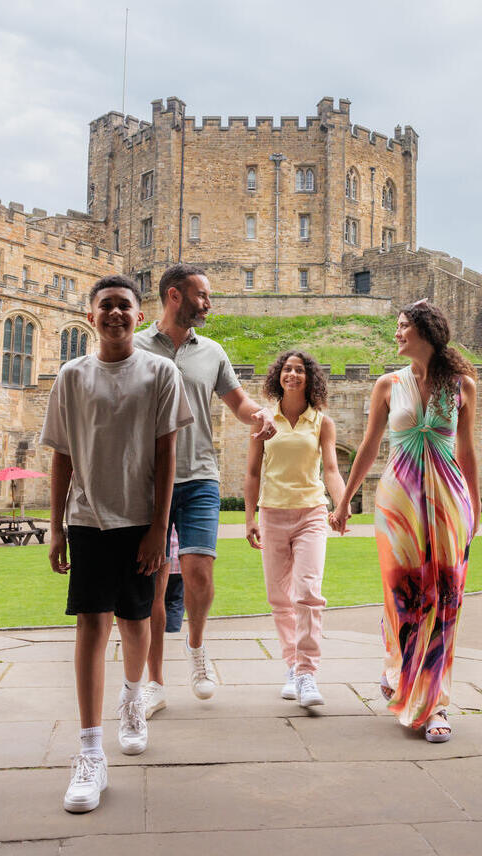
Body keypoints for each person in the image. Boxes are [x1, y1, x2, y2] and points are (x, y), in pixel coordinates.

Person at [40, 274, 193, 813]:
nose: (114, 313)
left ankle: (132, 700)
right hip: (87, 518)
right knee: (91, 624)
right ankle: (89, 752)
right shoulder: (71, 377)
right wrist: (56, 526)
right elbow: (60, 455)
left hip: (140, 520)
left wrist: (159, 526)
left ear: (139, 313)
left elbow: (167, 456)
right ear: (90, 316)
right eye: (104, 305)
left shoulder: (160, 372)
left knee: (136, 622)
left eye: (123, 305)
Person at [331, 300, 480, 741]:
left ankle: (434, 704)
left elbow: (468, 452)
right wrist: (343, 503)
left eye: (402, 327)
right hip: (398, 501)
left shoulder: (462, 386)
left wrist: (475, 506)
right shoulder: (386, 385)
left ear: (425, 332)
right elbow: (368, 448)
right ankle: (397, 665)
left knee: (445, 596)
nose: (396, 334)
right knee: (404, 596)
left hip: (449, 499)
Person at [133, 263, 276, 716]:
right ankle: (154, 682)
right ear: (175, 296)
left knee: (199, 571)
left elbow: (238, 403)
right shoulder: (134, 348)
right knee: (153, 585)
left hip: (199, 475)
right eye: (203, 295)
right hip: (147, 480)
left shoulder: (211, 351)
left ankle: (196, 651)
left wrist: (261, 416)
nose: (209, 303)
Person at [244, 351, 348, 707]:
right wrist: (249, 517)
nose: (292, 374)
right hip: (272, 514)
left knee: (308, 592)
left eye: (299, 370)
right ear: (278, 376)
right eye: (287, 369)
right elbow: (253, 473)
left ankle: (307, 673)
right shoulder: (263, 419)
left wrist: (342, 503)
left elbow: (332, 470)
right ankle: (292, 665)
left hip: (311, 513)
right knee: (279, 598)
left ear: (309, 378)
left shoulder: (322, 422)